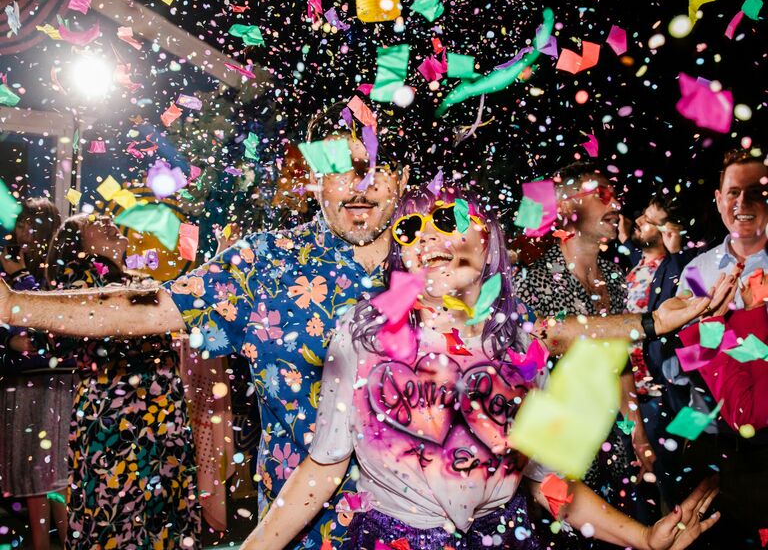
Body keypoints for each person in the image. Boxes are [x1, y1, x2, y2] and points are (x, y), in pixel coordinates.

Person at [0, 109, 728, 548]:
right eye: (335, 168)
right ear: (310, 179)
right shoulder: (267, 266)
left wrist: (654, 322)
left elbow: (543, 397)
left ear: (401, 177)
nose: (355, 184)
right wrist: (14, 307)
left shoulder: (461, 292)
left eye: (372, 168)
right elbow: (155, 307)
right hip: (309, 530)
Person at [239, 183, 721, 550]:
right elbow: (323, 467)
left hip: (505, 537)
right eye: (410, 230)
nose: (427, 238)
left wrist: (641, 537)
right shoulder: (362, 336)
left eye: (446, 220)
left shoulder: (519, 346)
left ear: (487, 238)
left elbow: (544, 479)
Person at [45, 214, 201, 549]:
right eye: (92, 222)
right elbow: (64, 335)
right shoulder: (77, 274)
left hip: (160, 412)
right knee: (116, 509)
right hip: (116, 416)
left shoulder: (139, 278)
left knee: (162, 507)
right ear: (78, 244)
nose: (105, 219)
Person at [513, 162, 650, 531]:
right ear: (567, 207)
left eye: (615, 193)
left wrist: (639, 440)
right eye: (601, 193)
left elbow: (618, 363)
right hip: (560, 454)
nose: (616, 202)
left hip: (612, 446)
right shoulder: (532, 281)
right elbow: (525, 376)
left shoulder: (617, 278)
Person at [670, 147, 768, 548]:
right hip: (716, 436)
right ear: (718, 198)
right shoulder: (698, 269)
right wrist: (732, 329)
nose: (741, 204)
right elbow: (690, 359)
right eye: (733, 192)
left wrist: (728, 327)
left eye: (755, 192)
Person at [618, 190, 698, 511]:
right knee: (635, 473)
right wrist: (626, 238)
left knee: (672, 480)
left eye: (648, 221)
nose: (639, 221)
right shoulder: (637, 265)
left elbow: (685, 288)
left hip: (662, 399)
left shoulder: (676, 268)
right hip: (629, 400)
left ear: (668, 233)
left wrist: (677, 251)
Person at [0, 197, 68, 550]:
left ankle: (70, 538)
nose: (24, 231)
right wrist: (8, 339)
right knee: (30, 467)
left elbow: (50, 316)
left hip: (53, 378)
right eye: (22, 222)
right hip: (17, 379)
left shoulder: (54, 270)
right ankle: (42, 544)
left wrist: (19, 276)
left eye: (33, 225)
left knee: (56, 466)